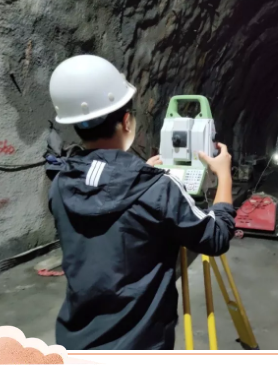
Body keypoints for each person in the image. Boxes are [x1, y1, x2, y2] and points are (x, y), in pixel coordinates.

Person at [45, 54, 236, 350]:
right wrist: (224, 175)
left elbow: (106, 201)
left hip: (75, 343)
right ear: (126, 121)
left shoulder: (61, 182)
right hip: (139, 344)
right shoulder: (157, 187)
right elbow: (217, 236)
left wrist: (137, 175)